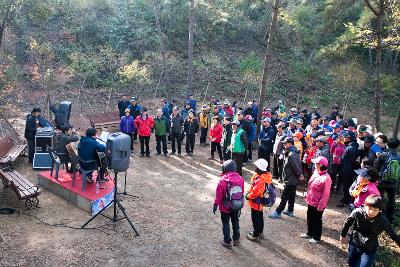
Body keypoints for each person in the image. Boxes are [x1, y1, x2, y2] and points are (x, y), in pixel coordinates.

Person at [340, 194, 400, 267]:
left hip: (370, 247)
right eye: (370, 208)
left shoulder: (383, 221)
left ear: (380, 210)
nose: (371, 212)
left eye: (375, 210)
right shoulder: (357, 212)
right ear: (365, 206)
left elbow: (392, 234)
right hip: (355, 243)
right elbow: (347, 223)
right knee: (351, 263)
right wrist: (343, 235)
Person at [268, 137, 303, 219]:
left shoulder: (291, 154)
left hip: (291, 179)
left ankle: (278, 212)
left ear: (290, 144)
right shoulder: (291, 152)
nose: (283, 145)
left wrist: (299, 175)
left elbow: (296, 167)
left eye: (285, 143)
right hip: (292, 178)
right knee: (291, 195)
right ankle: (290, 210)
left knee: (284, 196)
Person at [213, 160, 244, 249]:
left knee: (226, 223)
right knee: (235, 222)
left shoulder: (223, 181)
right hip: (236, 206)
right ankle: (236, 239)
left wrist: (216, 205)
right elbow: (241, 192)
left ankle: (227, 241)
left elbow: (219, 195)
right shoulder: (240, 179)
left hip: (225, 207)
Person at [300, 156, 332, 244]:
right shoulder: (316, 172)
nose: (314, 165)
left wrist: (321, 206)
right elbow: (310, 186)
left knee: (317, 220)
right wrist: (307, 194)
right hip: (311, 201)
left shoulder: (326, 178)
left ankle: (316, 237)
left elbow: (325, 194)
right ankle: (309, 233)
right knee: (309, 218)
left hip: (318, 204)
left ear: (321, 165)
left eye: (316, 163)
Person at [374, 137, 400, 223]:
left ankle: (377, 215)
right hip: (393, 182)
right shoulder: (398, 156)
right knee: (391, 200)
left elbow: (375, 169)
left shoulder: (383, 155)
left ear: (387, 144)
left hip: (382, 181)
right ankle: (389, 218)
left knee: (378, 198)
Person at [245, 159, 272, 242]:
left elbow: (255, 193)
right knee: (260, 217)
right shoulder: (265, 177)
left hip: (256, 202)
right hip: (260, 203)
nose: (255, 168)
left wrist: (248, 196)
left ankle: (256, 234)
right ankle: (260, 232)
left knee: (255, 218)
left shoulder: (260, 180)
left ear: (260, 169)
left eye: (256, 167)